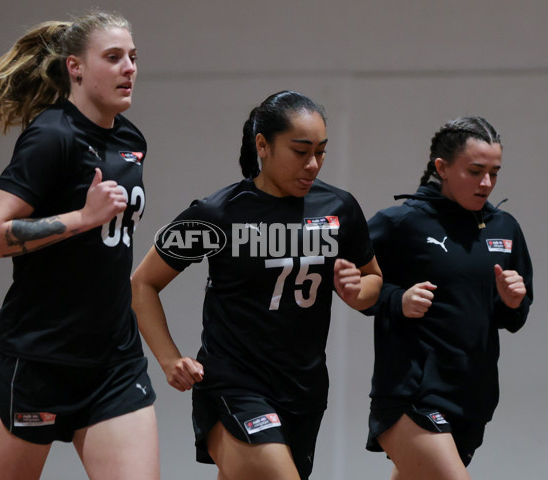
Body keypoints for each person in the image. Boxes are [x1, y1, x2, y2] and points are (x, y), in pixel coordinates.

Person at [131, 90, 383, 480]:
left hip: (305, 388)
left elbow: (373, 280)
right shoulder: (218, 213)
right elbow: (143, 283)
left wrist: (355, 292)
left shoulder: (339, 209)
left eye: (321, 151)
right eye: (301, 151)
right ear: (262, 145)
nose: (313, 164)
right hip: (234, 385)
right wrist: (169, 359)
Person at [0, 11, 159, 480]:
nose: (129, 68)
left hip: (114, 361)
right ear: (75, 67)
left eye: (133, 57)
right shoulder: (51, 135)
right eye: (113, 57)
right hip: (37, 360)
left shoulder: (131, 140)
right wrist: (82, 218)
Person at [364, 116, 533, 480]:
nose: (486, 183)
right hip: (413, 394)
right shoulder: (401, 223)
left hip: (473, 397)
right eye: (474, 171)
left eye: (494, 172)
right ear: (442, 167)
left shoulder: (505, 228)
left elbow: (515, 318)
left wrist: (513, 301)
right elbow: (352, 280)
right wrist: (397, 298)